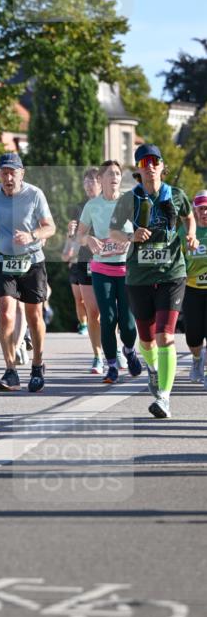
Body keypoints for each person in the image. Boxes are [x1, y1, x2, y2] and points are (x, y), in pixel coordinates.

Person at [109, 143, 197, 418]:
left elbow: (188, 218)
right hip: (139, 276)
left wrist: (191, 235)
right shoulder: (128, 199)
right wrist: (130, 237)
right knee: (146, 341)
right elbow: (112, 232)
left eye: (154, 160)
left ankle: (164, 397)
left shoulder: (177, 195)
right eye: (144, 161)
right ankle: (152, 368)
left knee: (165, 336)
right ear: (138, 168)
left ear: (161, 165)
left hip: (172, 273)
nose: (150, 165)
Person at [0, 152, 56, 393]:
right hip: (1, 260)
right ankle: (10, 370)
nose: (8, 178)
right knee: (5, 312)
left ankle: (37, 364)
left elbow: (50, 227)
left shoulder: (34, 194)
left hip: (31, 261)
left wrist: (32, 235)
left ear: (21, 174)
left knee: (34, 315)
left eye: (12, 173)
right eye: (4, 172)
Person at [77, 160, 142, 384]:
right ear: (101, 179)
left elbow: (142, 231)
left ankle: (130, 351)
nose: (114, 177)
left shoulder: (131, 202)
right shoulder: (92, 206)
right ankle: (111, 366)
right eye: (110, 174)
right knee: (108, 318)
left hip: (127, 270)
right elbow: (80, 235)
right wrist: (90, 240)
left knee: (128, 322)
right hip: (101, 269)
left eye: (117, 173)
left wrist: (131, 239)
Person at [64, 168, 104, 372]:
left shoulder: (111, 205)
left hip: (110, 261)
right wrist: (71, 235)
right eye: (85, 182)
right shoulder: (79, 208)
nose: (88, 185)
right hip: (85, 262)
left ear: (101, 183)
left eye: (92, 181)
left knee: (109, 311)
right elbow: (74, 240)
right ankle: (97, 355)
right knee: (92, 311)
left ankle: (113, 350)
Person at [181, 190, 207, 387]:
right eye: (201, 209)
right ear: (195, 211)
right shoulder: (186, 232)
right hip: (191, 289)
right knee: (193, 335)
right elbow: (177, 260)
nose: (205, 212)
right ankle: (197, 359)